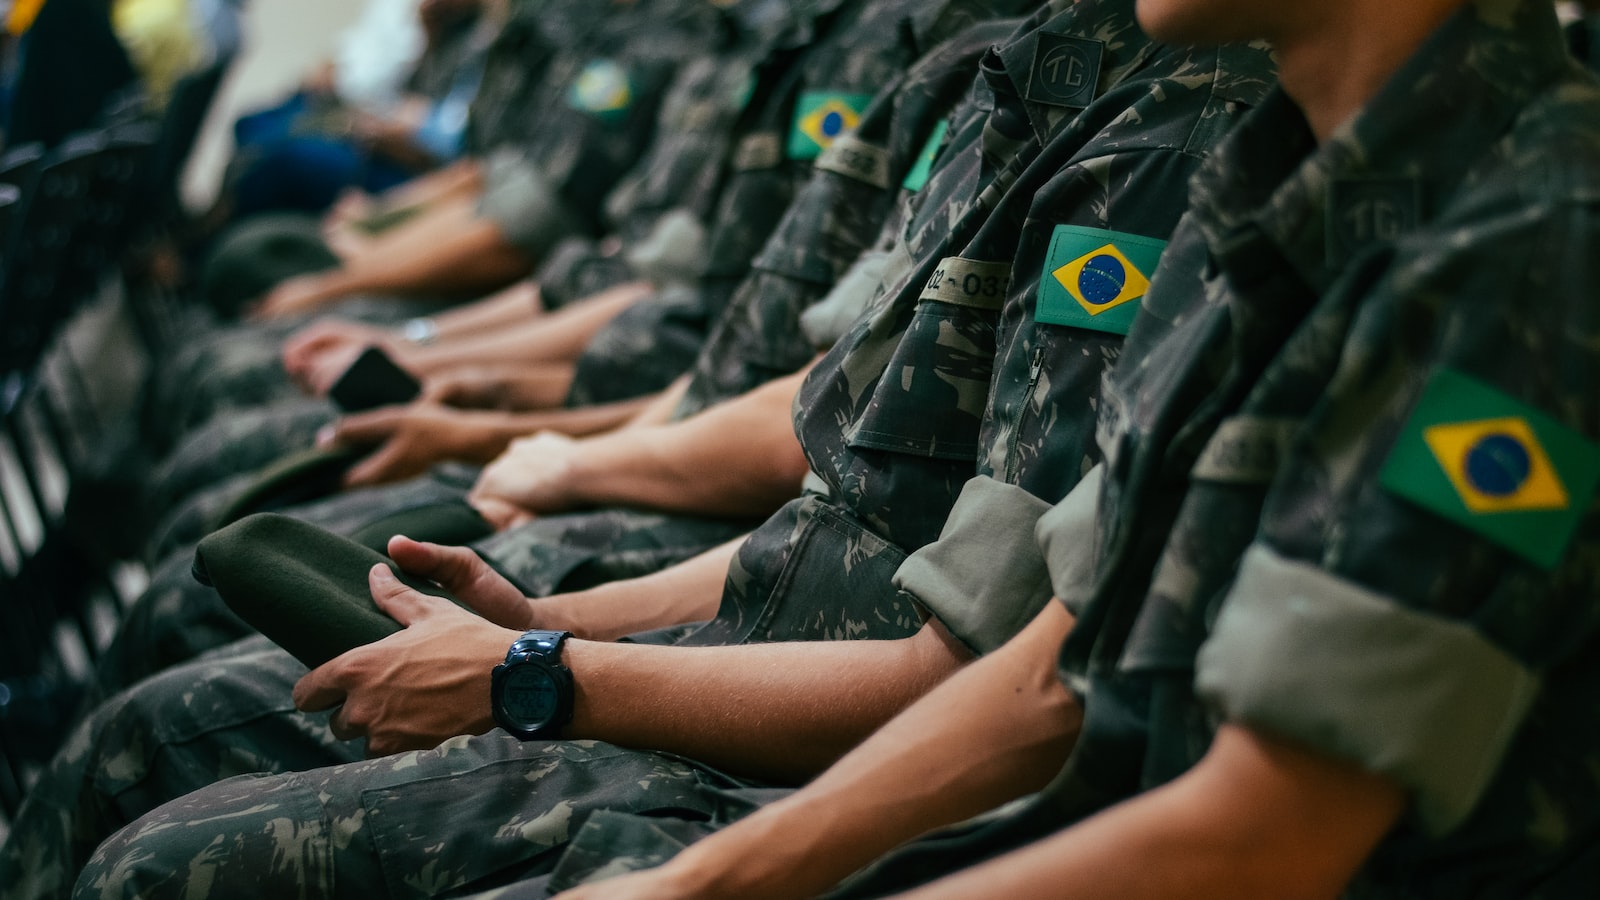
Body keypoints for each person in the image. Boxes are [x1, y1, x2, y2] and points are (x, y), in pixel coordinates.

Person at [19, 5, 1281, 900]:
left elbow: (989, 672)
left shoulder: (1199, 138)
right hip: (747, 628)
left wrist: (542, 660)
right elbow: (827, 448)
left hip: (825, 743)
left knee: (159, 806)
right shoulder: (1026, 67)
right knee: (183, 668)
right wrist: (547, 602)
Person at [488, 0, 1600, 896]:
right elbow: (1052, 665)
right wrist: (703, 882)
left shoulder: (1535, 246)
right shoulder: (1287, 183)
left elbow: (1271, 838)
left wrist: (554, 676)